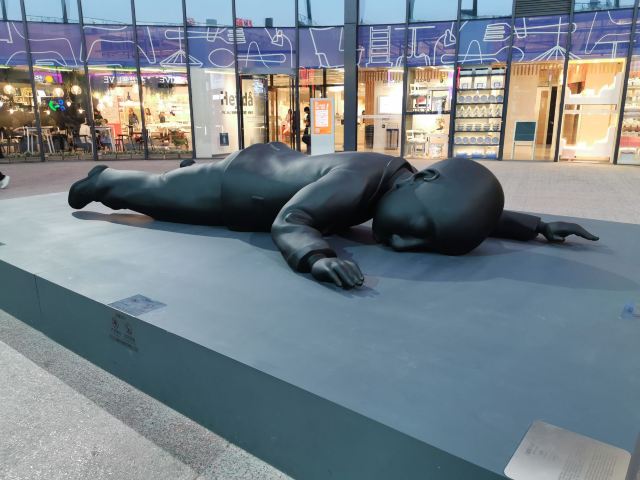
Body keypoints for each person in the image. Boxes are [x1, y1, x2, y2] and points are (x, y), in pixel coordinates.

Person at [68, 142, 598, 290]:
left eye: (423, 239)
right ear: (424, 182)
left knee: (170, 188)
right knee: (155, 193)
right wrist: (316, 257)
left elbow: (455, 216)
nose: (403, 244)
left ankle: (181, 171)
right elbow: (290, 221)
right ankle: (103, 179)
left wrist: (532, 226)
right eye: (416, 231)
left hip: (262, 177)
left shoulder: (408, 186)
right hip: (236, 186)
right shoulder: (356, 182)